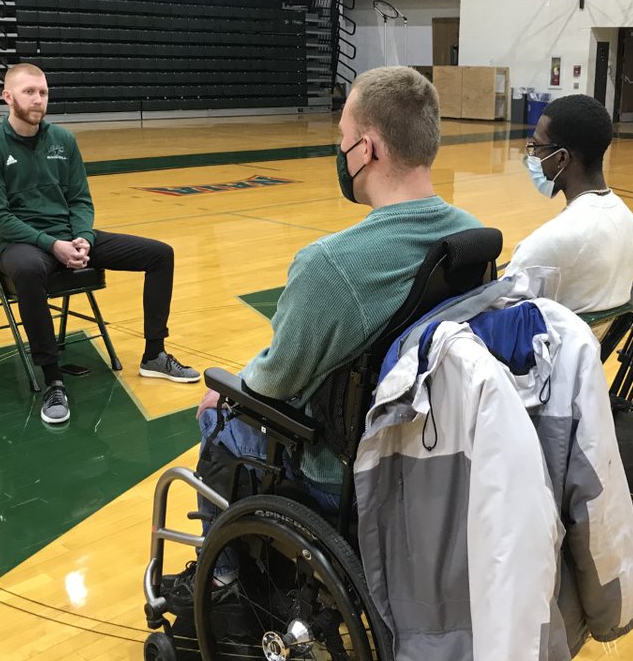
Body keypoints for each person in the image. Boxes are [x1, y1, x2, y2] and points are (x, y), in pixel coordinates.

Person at [170, 66, 481, 609]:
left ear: (369, 149)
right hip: (434, 445)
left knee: (219, 411)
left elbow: (272, 382)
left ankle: (219, 576)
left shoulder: (331, 267)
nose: (340, 153)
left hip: (342, 470)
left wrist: (227, 388)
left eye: (342, 140)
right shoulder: (472, 238)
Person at [0, 63, 199, 425]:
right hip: (21, 244)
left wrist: (83, 238)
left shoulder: (64, 140)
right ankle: (52, 379)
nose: (38, 99)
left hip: (69, 237)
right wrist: (51, 244)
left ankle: (154, 355)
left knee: (160, 254)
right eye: (29, 91)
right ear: (7, 96)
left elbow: (80, 199)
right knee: (29, 271)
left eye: (43, 92)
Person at [504, 93, 633, 313]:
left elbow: (498, 310)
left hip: (551, 345)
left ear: (562, 158)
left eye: (537, 147)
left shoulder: (548, 241)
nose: (533, 156)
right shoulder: (625, 216)